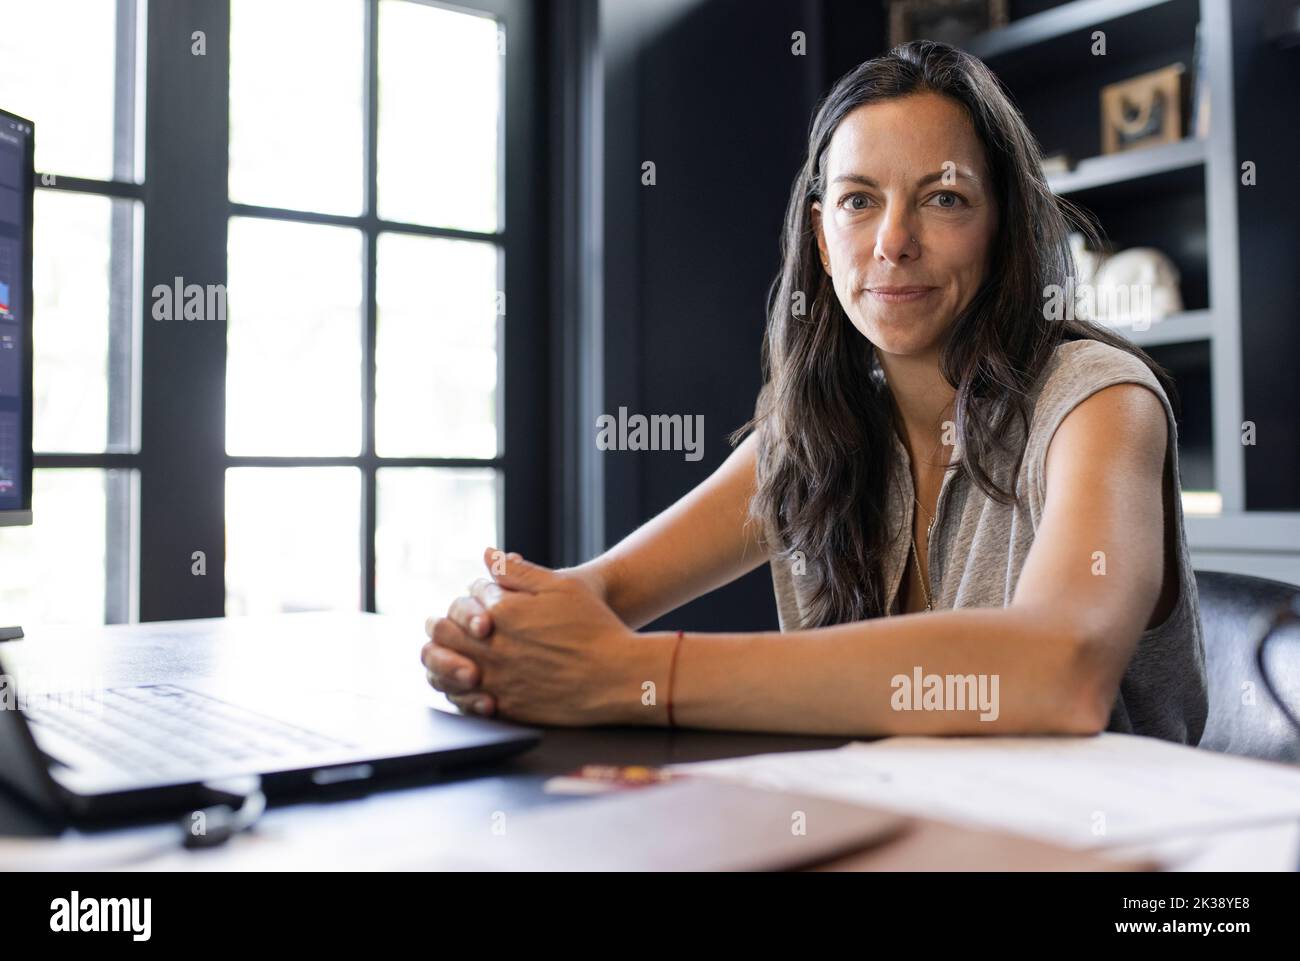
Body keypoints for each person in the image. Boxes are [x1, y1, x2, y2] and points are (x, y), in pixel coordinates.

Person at [420, 40, 1208, 743]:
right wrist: (494, 630)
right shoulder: (813, 427)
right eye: (860, 201)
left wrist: (631, 674)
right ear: (823, 239)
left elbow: (1059, 671)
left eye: (944, 198)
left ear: (1002, 229)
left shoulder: (1100, 402)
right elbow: (601, 591)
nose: (894, 243)